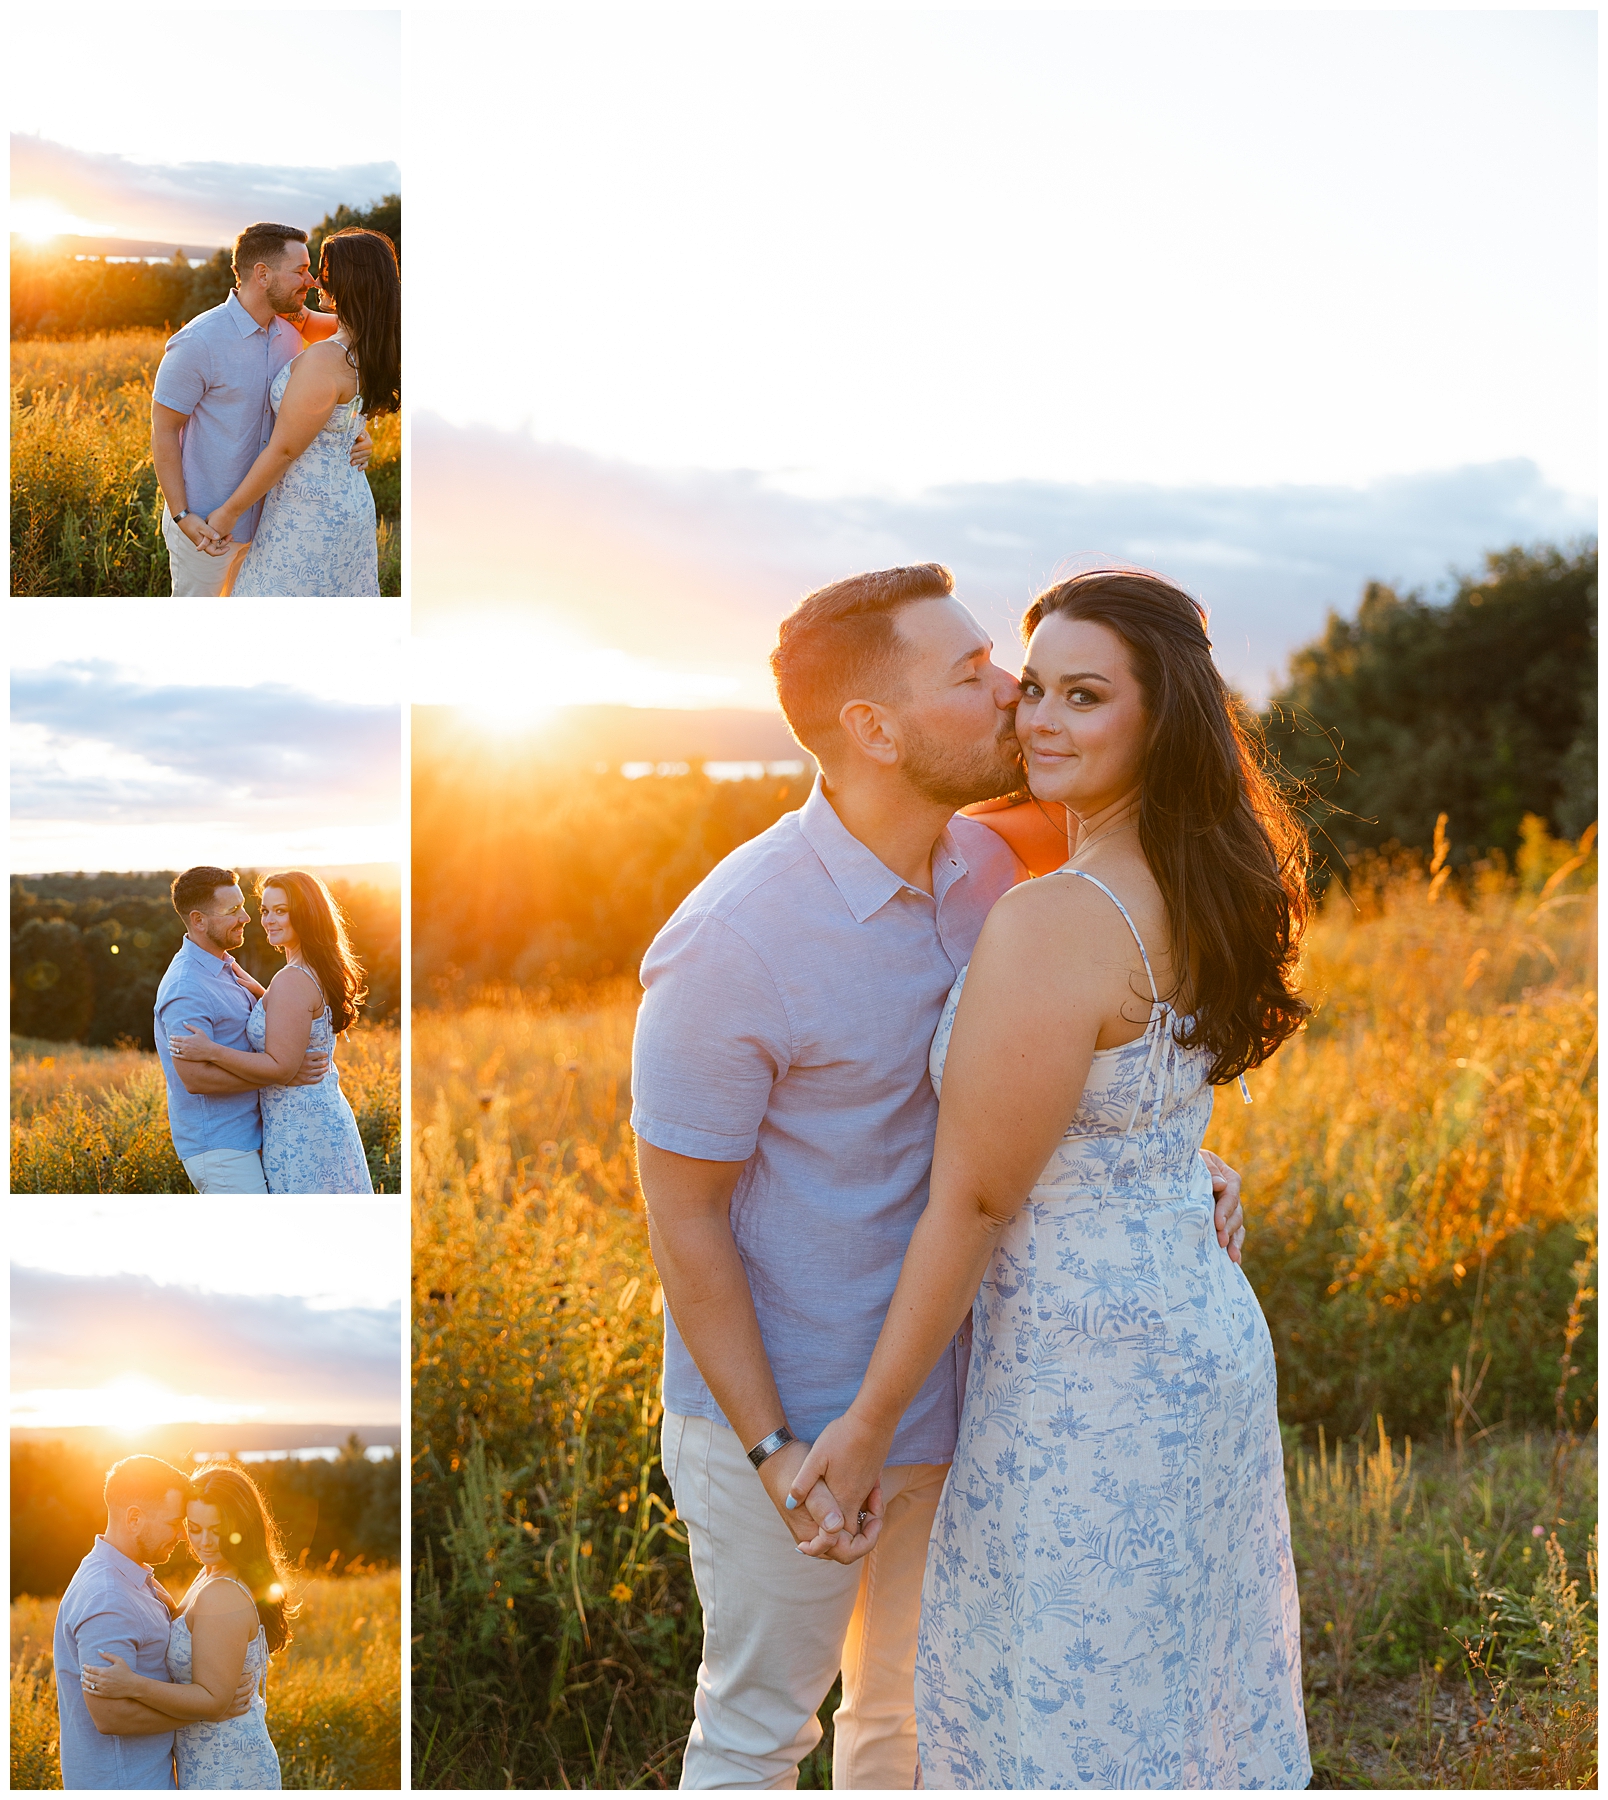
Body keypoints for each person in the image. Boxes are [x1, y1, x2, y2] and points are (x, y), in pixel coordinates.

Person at [631, 564, 1247, 1789]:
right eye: (971, 675)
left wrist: (1176, 1161)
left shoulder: (992, 876)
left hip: (966, 1398)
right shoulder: (730, 941)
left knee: (910, 1733)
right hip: (795, 1420)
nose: (1012, 687)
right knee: (759, 1731)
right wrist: (774, 1453)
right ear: (874, 728)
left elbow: (1034, 1092)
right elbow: (683, 1225)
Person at [791, 569, 1313, 1788]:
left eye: (1086, 697)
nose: (1040, 721)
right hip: (1199, 1344)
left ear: (1161, 718)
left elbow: (976, 1199)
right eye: (1034, 690)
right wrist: (1199, 1170)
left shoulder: (1056, 918)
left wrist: (865, 1427)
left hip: (1091, 1383)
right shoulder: (1201, 883)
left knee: (1070, 1717)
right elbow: (1138, 1106)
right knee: (1181, 1693)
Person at [151, 222, 373, 598]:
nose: (313, 282)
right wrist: (181, 515)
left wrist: (353, 429)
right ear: (263, 274)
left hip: (271, 521)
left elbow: (367, 331)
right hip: (207, 523)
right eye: (301, 271)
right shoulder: (198, 342)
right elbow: (164, 430)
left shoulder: (294, 329)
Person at [84, 1462, 293, 1789]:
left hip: (228, 1769)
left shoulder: (222, 1593)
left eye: (218, 1529)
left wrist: (133, 1685)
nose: (205, 1542)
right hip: (210, 1762)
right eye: (194, 1528)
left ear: (241, 1525)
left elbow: (213, 1700)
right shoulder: (210, 1573)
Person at [218, 227, 401, 596]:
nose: (315, 279)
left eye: (324, 271)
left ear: (351, 281)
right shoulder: (374, 338)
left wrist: (229, 512)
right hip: (349, 500)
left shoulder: (325, 359)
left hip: (308, 513)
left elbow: (284, 450)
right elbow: (300, 318)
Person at [54, 1456, 254, 1790]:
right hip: (124, 1783)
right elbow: (111, 1716)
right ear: (134, 1518)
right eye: (174, 1522)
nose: (181, 1535)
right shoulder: (107, 1598)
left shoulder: (131, 1579)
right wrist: (210, 1710)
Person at [169, 871, 374, 1193]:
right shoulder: (303, 974)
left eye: (281, 910)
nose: (264, 920)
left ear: (306, 914)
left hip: (302, 1125)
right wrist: (267, 998)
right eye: (266, 910)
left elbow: (282, 1066)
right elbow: (297, 1022)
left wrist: (212, 1051)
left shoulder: (291, 980)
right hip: (307, 1118)